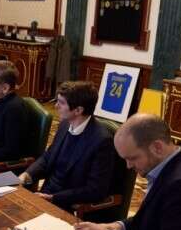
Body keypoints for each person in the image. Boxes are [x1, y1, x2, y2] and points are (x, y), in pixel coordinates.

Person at [19, 81, 114, 211]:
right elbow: (48, 157)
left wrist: (53, 198)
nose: (56, 106)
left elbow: (95, 190)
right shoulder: (64, 124)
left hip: (67, 204)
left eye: (61, 103)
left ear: (78, 110)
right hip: (44, 196)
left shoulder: (101, 140)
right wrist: (27, 174)